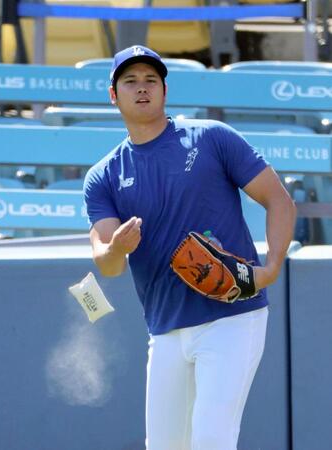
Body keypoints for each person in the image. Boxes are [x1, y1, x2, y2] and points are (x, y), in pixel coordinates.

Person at [83, 45, 296, 450]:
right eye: (130, 81)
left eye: (151, 80)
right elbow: (107, 263)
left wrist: (271, 267)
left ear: (165, 90)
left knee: (211, 439)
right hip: (164, 327)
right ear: (114, 95)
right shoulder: (104, 176)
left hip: (231, 316)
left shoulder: (212, 138)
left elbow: (279, 200)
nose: (141, 88)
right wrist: (116, 248)